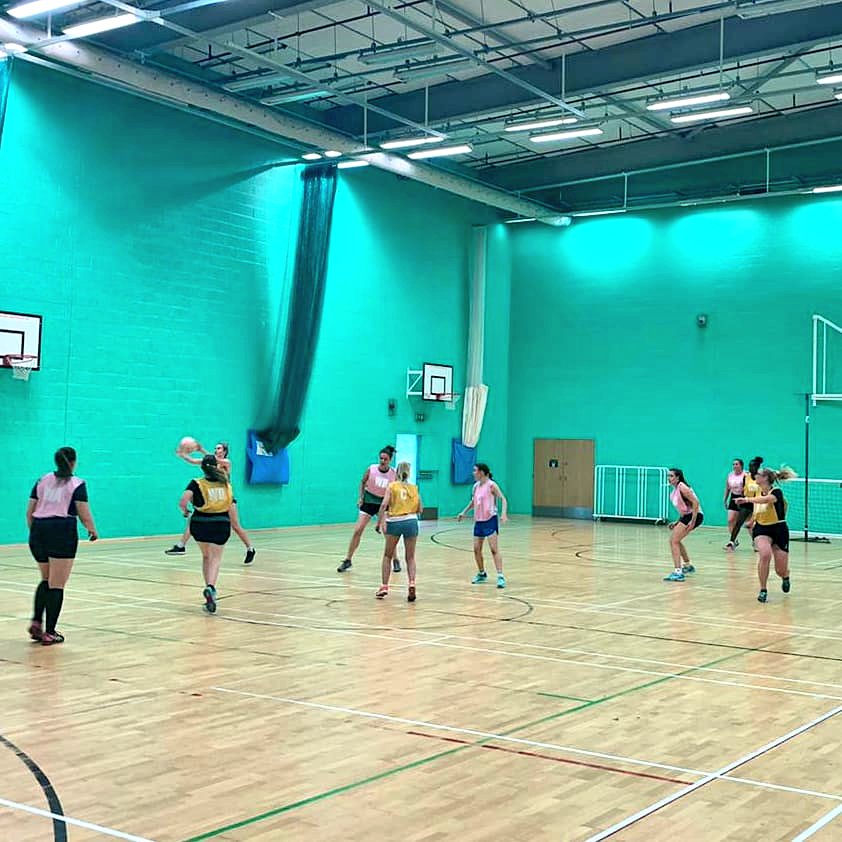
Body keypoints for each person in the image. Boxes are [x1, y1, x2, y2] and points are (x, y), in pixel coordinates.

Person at [26, 446, 98, 646]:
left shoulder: (42, 480)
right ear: (73, 462)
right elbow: (83, 512)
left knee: (46, 579)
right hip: (61, 530)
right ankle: (50, 632)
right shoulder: (77, 484)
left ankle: (36, 621)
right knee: (56, 584)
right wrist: (92, 529)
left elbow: (30, 511)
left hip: (39, 529)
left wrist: (36, 532)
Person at [166, 441, 255, 565]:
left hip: (226, 499)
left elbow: (211, 460)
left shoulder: (226, 462)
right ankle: (181, 545)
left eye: (219, 448)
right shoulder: (211, 462)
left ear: (224, 451)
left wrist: (201, 449)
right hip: (213, 497)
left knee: (235, 525)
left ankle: (250, 548)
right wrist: (183, 455)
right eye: (215, 448)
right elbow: (194, 461)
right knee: (195, 518)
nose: (216, 450)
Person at [179, 454, 233, 614]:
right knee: (216, 558)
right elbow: (226, 463)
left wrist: (185, 511)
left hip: (200, 523)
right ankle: (211, 587)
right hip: (221, 523)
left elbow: (183, 502)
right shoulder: (225, 481)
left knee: (206, 556)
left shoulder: (196, 483)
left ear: (202, 468)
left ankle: (208, 588)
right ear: (217, 466)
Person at [736, 466, 795, 603]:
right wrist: (752, 521)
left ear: (765, 478)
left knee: (780, 570)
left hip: (779, 529)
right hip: (762, 529)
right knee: (765, 554)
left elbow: (766, 500)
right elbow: (758, 508)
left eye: (758, 474)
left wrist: (747, 500)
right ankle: (763, 589)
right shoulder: (757, 491)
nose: (755, 475)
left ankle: (785, 576)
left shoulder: (776, 492)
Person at [337, 445, 399, 574]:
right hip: (369, 502)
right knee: (358, 530)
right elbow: (362, 482)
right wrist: (361, 498)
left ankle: (395, 559)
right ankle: (348, 559)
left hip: (383, 504)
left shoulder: (393, 473)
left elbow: (396, 490)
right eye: (381, 458)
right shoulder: (372, 469)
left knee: (387, 532)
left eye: (385, 459)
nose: (382, 461)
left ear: (390, 460)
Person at [375, 462, 422, 601]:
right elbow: (420, 508)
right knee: (410, 557)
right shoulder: (414, 488)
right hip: (411, 521)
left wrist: (379, 522)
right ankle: (412, 583)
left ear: (397, 472)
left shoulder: (392, 486)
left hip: (395, 521)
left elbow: (384, 504)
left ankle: (384, 586)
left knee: (387, 555)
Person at [457, 463, 509, 588]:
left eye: (475, 470)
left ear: (481, 472)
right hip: (479, 521)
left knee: (494, 549)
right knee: (476, 549)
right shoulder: (475, 486)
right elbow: (473, 502)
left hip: (490, 520)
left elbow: (503, 499)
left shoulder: (491, 485)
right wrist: (463, 512)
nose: (473, 473)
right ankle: (482, 573)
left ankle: (500, 576)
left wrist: (503, 514)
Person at [664, 468, 704, 582]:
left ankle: (678, 572)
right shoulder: (674, 491)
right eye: (668, 476)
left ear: (678, 478)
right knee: (675, 540)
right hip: (687, 516)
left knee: (674, 541)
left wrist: (693, 521)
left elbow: (695, 502)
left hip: (694, 516)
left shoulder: (682, 487)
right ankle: (687, 566)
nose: (669, 478)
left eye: (671, 476)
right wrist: (677, 522)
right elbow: (684, 509)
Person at [726, 455, 763, 550]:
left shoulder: (761, 478)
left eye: (752, 466)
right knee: (738, 522)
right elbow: (744, 489)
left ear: (757, 467)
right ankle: (731, 542)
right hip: (747, 502)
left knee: (753, 525)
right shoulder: (746, 477)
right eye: (749, 466)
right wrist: (741, 500)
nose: (750, 468)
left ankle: (756, 543)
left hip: (757, 503)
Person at [723, 458, 749, 551]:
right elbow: (727, 488)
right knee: (730, 520)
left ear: (741, 465)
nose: (734, 466)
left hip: (743, 498)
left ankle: (755, 542)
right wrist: (725, 499)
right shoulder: (730, 475)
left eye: (736, 464)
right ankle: (733, 540)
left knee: (748, 523)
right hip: (733, 498)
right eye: (733, 464)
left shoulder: (746, 475)